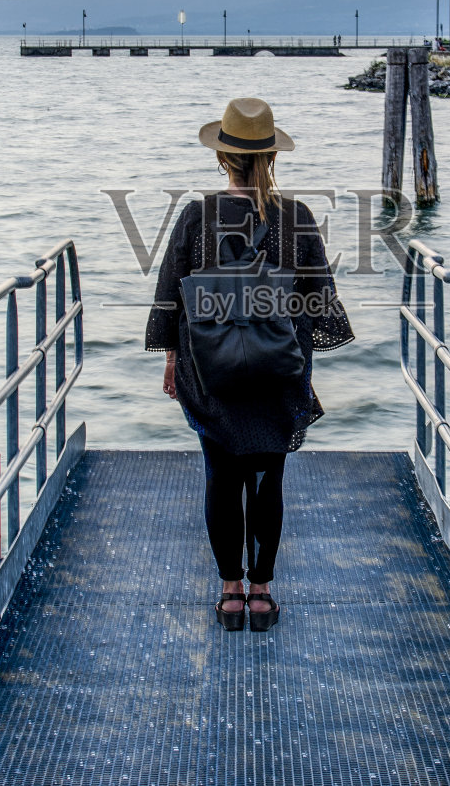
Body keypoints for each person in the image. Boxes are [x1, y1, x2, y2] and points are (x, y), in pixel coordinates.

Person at [145, 97, 353, 632]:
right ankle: (263, 594)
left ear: (223, 159)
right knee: (271, 478)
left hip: (212, 375)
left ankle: (231, 594)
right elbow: (320, 303)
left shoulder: (197, 215)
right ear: (272, 158)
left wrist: (171, 359)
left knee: (220, 476)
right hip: (278, 377)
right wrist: (296, 362)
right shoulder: (297, 217)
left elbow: (171, 297)